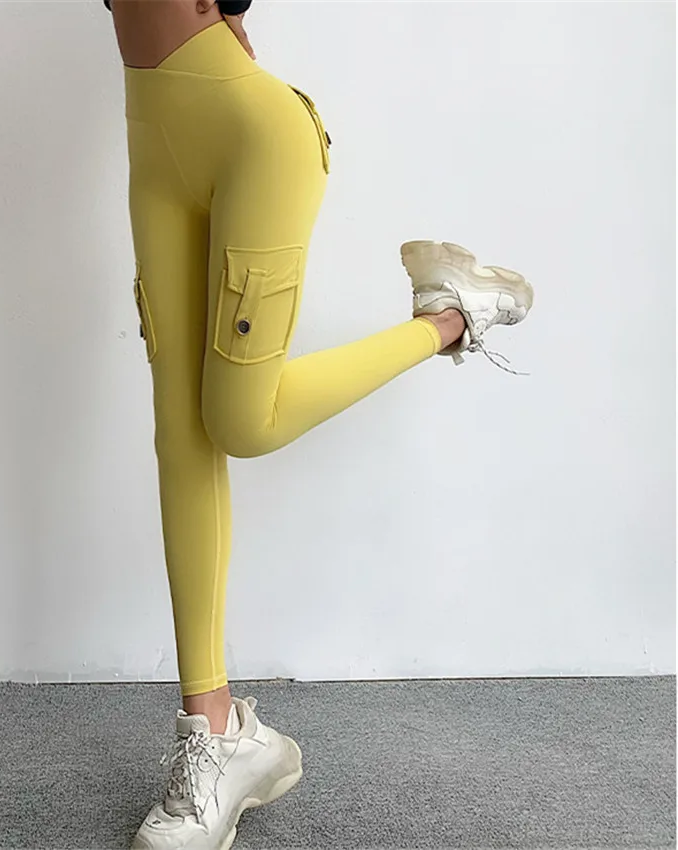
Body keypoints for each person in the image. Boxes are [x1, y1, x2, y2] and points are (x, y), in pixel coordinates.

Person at [106, 2, 534, 847]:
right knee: (179, 435)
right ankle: (216, 734)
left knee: (242, 420)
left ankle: (449, 318)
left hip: (254, 135)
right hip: (150, 123)